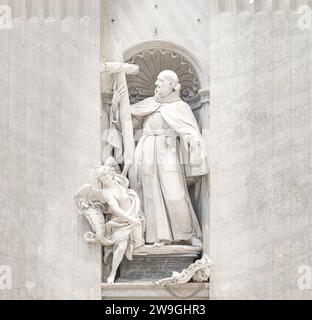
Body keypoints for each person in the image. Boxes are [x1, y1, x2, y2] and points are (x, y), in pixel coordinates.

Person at [112, 70, 208, 247]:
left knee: (175, 194)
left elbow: (191, 131)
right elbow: (127, 125)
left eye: (160, 81)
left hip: (168, 149)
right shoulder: (149, 104)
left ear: (172, 85)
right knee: (150, 195)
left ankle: (187, 234)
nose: (156, 84)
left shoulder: (181, 107)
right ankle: (158, 236)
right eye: (156, 81)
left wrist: (192, 141)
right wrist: (117, 107)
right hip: (146, 149)